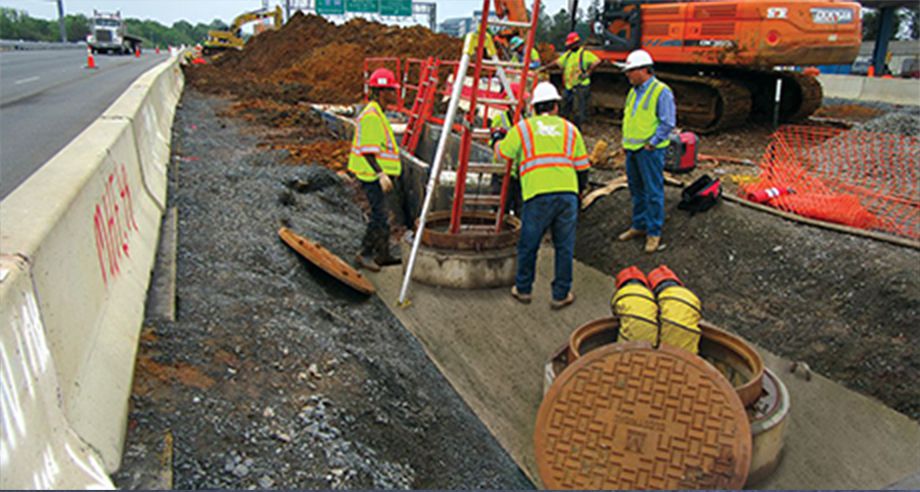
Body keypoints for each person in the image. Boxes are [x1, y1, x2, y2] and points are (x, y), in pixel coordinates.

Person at [494, 82, 590, 309]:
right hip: (567, 194)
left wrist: (496, 139)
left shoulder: (524, 128)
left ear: (534, 107)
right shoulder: (570, 129)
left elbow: (502, 155)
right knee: (564, 246)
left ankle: (524, 289)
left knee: (529, 244)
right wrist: (578, 193)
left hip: (537, 194)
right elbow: (583, 168)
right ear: (556, 106)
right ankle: (561, 294)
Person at [615, 49, 676, 253]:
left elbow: (668, 122)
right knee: (637, 190)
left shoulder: (661, 91)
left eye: (630, 71)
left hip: (649, 151)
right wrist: (625, 142)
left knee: (653, 192)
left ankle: (653, 232)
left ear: (643, 70)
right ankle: (639, 226)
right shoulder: (633, 91)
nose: (627, 75)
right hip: (633, 149)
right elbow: (630, 119)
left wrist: (652, 142)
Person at [348, 67, 404, 272]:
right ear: (382, 92)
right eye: (391, 90)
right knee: (379, 216)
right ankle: (365, 254)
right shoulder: (372, 115)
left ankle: (383, 254)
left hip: (374, 174)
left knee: (383, 214)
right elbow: (368, 151)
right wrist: (381, 174)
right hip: (370, 174)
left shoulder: (377, 112)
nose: (394, 94)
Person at [555, 32, 601, 129]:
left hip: (581, 85)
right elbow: (558, 62)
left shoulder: (584, 54)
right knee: (564, 107)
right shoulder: (568, 55)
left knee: (578, 109)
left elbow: (597, 61)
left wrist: (588, 72)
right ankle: (565, 126)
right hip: (569, 86)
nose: (570, 47)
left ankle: (577, 128)